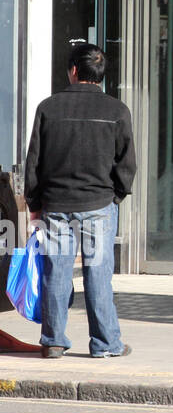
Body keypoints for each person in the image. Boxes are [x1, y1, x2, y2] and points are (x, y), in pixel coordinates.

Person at [25, 44, 136, 359]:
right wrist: (115, 195)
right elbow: (127, 164)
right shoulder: (117, 110)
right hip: (98, 204)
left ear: (73, 70)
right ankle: (105, 343)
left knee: (55, 273)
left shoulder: (49, 107)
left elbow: (34, 161)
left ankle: (53, 341)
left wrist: (34, 202)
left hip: (56, 205)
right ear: (100, 74)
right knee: (97, 275)